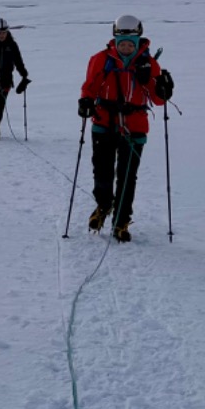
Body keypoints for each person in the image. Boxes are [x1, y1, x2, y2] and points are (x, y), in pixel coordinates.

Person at [76, 14, 174, 241]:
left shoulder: (149, 64)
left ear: (139, 40)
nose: (127, 47)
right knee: (102, 172)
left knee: (128, 177)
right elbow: (89, 87)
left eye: (131, 43)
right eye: (123, 43)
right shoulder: (100, 59)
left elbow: (158, 99)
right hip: (103, 123)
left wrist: (164, 89)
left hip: (135, 127)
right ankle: (103, 206)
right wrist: (85, 101)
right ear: (115, 40)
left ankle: (121, 220)